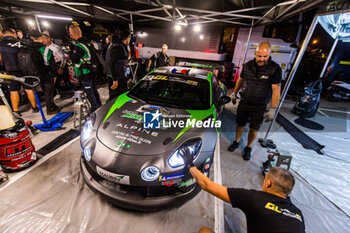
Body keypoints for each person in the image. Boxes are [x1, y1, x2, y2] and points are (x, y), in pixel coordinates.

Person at [184, 153, 305, 233]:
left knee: (204, 231)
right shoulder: (298, 214)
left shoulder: (255, 198)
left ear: (268, 183)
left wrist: (190, 164)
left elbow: (206, 185)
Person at [228, 42, 281, 160]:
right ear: (255, 53)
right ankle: (236, 142)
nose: (262, 59)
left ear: (270, 54)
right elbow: (240, 80)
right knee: (240, 124)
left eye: (265, 56)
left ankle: (248, 147)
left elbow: (276, 89)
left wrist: (273, 108)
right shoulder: (247, 65)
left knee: (254, 128)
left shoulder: (275, 69)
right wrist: (234, 93)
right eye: (259, 56)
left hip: (260, 105)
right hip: (245, 101)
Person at [0, 28, 38, 116]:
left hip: (11, 70)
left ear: (3, 34)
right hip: (25, 69)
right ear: (13, 34)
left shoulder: (1, 44)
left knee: (13, 91)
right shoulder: (22, 43)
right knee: (29, 89)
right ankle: (34, 107)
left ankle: (16, 111)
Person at [69, 25, 102, 112]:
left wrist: (71, 52)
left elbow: (74, 59)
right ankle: (99, 107)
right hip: (90, 71)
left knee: (90, 93)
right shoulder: (87, 43)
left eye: (70, 33)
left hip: (85, 73)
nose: (70, 35)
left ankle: (95, 110)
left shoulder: (79, 46)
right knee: (94, 90)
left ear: (73, 33)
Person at [28, 29, 61, 115]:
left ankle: (52, 105)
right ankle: (50, 109)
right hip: (46, 73)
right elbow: (52, 63)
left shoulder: (27, 48)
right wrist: (55, 74)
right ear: (40, 37)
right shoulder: (45, 49)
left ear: (31, 37)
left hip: (34, 73)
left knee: (45, 90)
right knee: (48, 91)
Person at [105, 31, 131, 100]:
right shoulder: (119, 48)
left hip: (119, 76)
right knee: (114, 98)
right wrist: (115, 79)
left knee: (122, 95)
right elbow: (111, 63)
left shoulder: (118, 46)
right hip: (116, 77)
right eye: (129, 38)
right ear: (127, 38)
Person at [41, 31, 66, 98]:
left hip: (57, 65)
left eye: (44, 38)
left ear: (48, 39)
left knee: (57, 80)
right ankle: (56, 93)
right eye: (41, 39)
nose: (42, 40)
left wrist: (61, 67)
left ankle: (58, 93)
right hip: (50, 66)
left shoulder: (55, 47)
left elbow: (62, 57)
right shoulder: (44, 48)